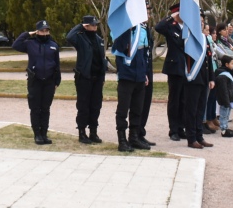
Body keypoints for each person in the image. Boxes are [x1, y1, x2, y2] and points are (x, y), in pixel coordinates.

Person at [13, 21, 62, 144]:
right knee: (35, 108)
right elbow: (16, 44)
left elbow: (57, 64)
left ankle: (44, 134)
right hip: (35, 81)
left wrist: (57, 81)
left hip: (49, 81)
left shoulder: (53, 45)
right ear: (37, 31)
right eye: (42, 30)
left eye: (47, 30)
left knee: (46, 108)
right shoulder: (30, 44)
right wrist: (28, 34)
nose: (44, 33)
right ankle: (37, 135)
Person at [111, 18, 153, 152]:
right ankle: (122, 140)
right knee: (123, 109)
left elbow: (145, 52)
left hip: (140, 74)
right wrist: (127, 30)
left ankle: (134, 138)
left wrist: (145, 72)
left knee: (137, 109)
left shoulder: (143, 30)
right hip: (126, 75)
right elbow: (120, 47)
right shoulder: (120, 29)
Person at [66, 15, 107, 144]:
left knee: (96, 106)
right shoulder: (80, 38)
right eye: (92, 24)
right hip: (84, 77)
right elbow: (69, 37)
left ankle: (93, 132)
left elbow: (102, 59)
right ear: (86, 25)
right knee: (83, 106)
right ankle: (82, 132)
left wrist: (103, 76)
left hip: (97, 78)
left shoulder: (99, 39)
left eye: (96, 24)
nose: (95, 27)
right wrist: (80, 26)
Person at [183, 13, 216, 149]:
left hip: (204, 79)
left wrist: (211, 78)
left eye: (203, 21)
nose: (201, 23)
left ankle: (199, 136)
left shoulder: (204, 38)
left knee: (200, 109)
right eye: (199, 21)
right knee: (192, 110)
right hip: (193, 78)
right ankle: (191, 138)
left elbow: (209, 59)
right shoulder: (189, 38)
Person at [155, 4, 187, 141]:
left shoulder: (187, 27)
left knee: (184, 100)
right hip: (175, 67)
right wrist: (170, 17)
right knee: (174, 100)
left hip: (187, 67)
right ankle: (173, 129)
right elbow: (158, 27)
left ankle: (181, 128)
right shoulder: (170, 26)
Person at [214, 56, 233, 138]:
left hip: (228, 98)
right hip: (225, 99)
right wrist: (226, 100)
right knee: (224, 114)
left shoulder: (227, 72)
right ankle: (224, 130)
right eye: (232, 64)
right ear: (226, 64)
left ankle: (226, 127)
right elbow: (223, 89)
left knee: (227, 114)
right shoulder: (222, 75)